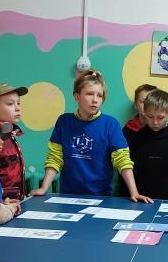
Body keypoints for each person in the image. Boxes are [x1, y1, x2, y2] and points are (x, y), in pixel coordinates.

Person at [31, 70, 151, 202]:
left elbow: (122, 160)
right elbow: (55, 157)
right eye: (89, 94)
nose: (95, 100)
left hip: (101, 197)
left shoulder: (111, 124)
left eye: (99, 96)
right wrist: (44, 188)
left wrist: (134, 192)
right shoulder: (64, 121)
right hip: (67, 197)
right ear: (77, 97)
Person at [127, 88, 168, 200]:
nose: (155, 122)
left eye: (160, 117)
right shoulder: (138, 138)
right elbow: (130, 170)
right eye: (150, 117)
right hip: (142, 200)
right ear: (144, 112)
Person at [0, 83, 29, 200]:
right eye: (10, 104)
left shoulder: (9, 134)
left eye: (18, 103)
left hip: (15, 203)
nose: (17, 108)